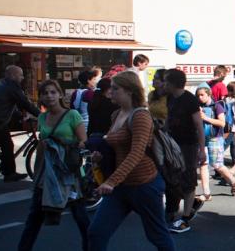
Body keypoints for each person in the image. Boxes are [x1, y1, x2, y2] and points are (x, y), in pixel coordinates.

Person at [87, 71, 175, 251]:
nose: (111, 92)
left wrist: (111, 182)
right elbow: (115, 145)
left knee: (157, 235)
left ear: (129, 91)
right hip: (121, 186)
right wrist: (100, 156)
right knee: (96, 233)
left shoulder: (141, 116)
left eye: (115, 88)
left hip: (145, 186)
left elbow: (136, 153)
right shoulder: (116, 115)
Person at [18, 80, 90, 251]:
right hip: (48, 174)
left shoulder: (72, 115)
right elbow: (42, 147)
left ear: (59, 94)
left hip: (69, 175)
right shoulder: (42, 117)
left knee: (81, 218)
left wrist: (62, 144)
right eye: (45, 93)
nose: (49, 96)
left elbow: (83, 141)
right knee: (34, 218)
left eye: (52, 92)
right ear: (41, 97)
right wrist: (36, 175)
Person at [164, 68, 205, 233]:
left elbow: (199, 126)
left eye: (166, 81)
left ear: (173, 83)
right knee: (172, 179)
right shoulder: (169, 98)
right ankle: (192, 202)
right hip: (172, 144)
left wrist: (202, 150)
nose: (164, 83)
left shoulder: (190, 100)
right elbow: (168, 120)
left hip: (188, 145)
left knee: (188, 180)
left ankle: (186, 219)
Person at [0, 65, 40, 181]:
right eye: (20, 75)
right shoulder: (11, 86)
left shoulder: (3, 84)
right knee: (7, 145)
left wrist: (21, 116)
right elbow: (25, 103)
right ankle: (9, 173)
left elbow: (11, 105)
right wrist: (42, 116)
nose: (22, 78)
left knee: (0, 142)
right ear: (13, 75)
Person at [196, 86, 235, 198]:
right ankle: (206, 193)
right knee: (203, 164)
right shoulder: (197, 107)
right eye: (198, 95)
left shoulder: (217, 105)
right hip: (202, 138)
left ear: (208, 94)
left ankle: (233, 180)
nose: (199, 97)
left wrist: (205, 118)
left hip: (215, 138)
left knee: (217, 164)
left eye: (202, 95)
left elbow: (222, 123)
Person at [71, 67, 101, 131]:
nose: (95, 82)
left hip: (76, 126)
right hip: (87, 126)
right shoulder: (90, 93)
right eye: (94, 79)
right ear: (88, 81)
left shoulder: (75, 92)